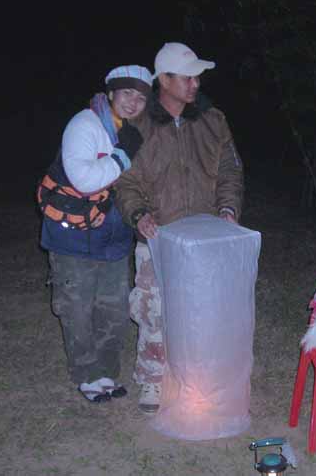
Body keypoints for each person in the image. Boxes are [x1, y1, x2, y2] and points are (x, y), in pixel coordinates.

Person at [115, 43, 244, 414]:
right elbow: (125, 181)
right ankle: (152, 379)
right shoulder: (137, 125)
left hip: (204, 237)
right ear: (165, 80)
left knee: (202, 313)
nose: (195, 83)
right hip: (157, 235)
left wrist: (228, 209)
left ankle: (197, 380)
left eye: (197, 77)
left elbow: (231, 171)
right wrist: (139, 214)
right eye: (188, 77)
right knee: (153, 310)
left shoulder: (213, 120)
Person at [39, 65, 152, 403]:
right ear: (111, 92)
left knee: (114, 310)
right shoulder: (84, 124)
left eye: (141, 97)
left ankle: (106, 372)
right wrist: (122, 156)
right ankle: (86, 375)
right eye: (127, 93)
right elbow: (84, 180)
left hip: (114, 238)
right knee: (77, 310)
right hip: (73, 238)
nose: (133, 102)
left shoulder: (131, 130)